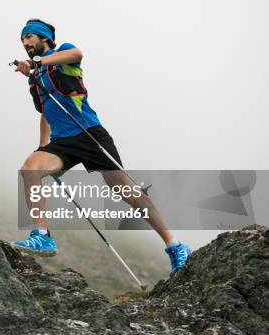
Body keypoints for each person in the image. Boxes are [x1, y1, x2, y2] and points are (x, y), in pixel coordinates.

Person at [11, 18, 191, 272]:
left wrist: (36, 63)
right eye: (22, 40)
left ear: (43, 38)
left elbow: (77, 53)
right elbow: (46, 111)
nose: (25, 43)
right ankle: (43, 236)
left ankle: (175, 245)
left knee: (122, 189)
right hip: (62, 141)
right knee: (29, 170)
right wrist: (42, 146)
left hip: (90, 133)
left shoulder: (62, 53)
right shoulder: (35, 77)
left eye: (28, 37)